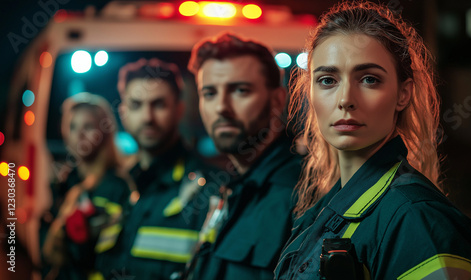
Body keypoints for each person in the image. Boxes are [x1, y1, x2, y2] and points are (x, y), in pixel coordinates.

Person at [274, 2, 471, 279]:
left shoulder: (419, 221)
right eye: (328, 80)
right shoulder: (324, 212)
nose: (345, 100)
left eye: (369, 79)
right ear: (310, 92)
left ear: (403, 94)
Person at [186, 33, 303, 280]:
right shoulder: (232, 187)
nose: (221, 107)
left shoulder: (304, 194)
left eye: (240, 90)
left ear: (278, 100)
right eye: (209, 93)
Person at [98, 58, 215, 279]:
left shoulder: (206, 189)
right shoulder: (116, 186)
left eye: (159, 104)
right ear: (122, 112)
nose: (147, 117)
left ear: (179, 109)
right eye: (136, 105)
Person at [41, 92, 132, 280]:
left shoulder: (117, 187)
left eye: (88, 126)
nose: (79, 134)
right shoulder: (65, 183)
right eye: (72, 126)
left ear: (104, 132)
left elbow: (113, 256)